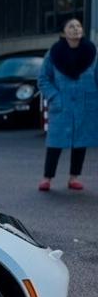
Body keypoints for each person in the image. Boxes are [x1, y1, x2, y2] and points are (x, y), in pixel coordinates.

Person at [38, 18, 97, 191]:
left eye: (79, 25)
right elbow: (43, 79)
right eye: (71, 26)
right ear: (63, 32)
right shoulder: (54, 53)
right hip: (61, 103)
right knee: (55, 142)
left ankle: (74, 177)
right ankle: (47, 178)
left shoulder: (92, 52)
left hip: (86, 103)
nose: (76, 29)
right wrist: (54, 97)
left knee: (81, 141)